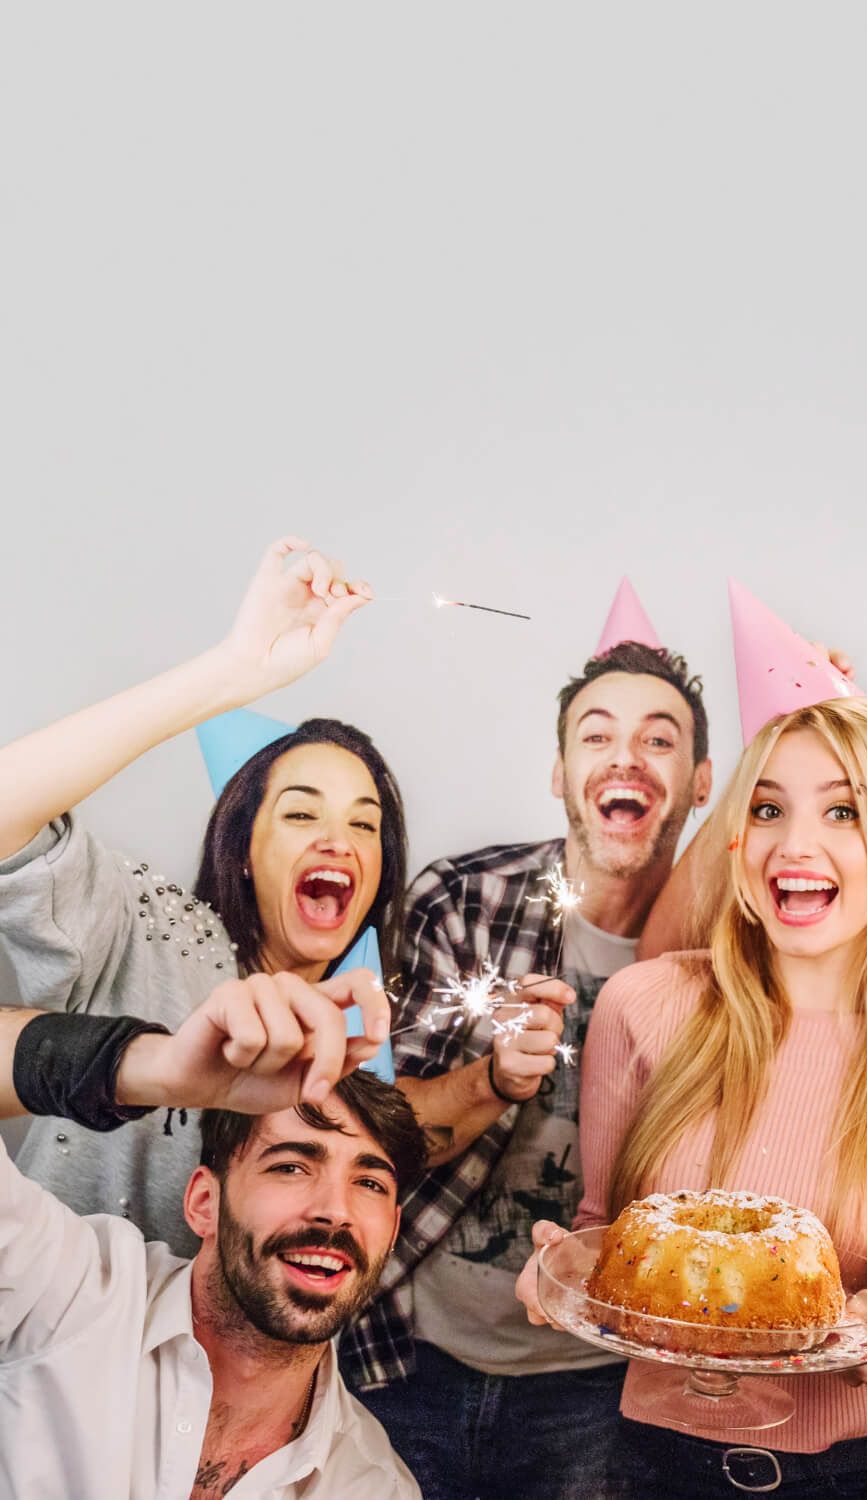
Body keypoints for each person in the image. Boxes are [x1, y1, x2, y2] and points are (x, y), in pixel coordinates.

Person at [520, 693, 867, 1498]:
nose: (795, 845)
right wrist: (559, 1270)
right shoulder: (642, 1005)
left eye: (842, 811)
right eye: (768, 808)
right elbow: (604, 1236)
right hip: (661, 1465)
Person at [343, 623, 716, 1499]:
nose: (627, 757)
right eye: (597, 735)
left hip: (603, 1385)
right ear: (560, 774)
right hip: (411, 1354)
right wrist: (496, 1079)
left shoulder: (732, 958)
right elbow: (373, 1142)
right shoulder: (465, 900)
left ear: (702, 785)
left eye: (660, 739)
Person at [0, 537, 406, 1256]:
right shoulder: (148, 927)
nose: (339, 841)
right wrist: (234, 670)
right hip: (49, 1355)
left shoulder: (364, 1033)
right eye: (303, 813)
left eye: (364, 824)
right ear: (244, 849)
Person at [0, 967, 424, 1498]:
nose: (335, 1211)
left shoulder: (373, 1487)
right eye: (291, 1166)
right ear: (204, 1202)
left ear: (391, 1233)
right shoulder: (69, 1296)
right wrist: (153, 1065)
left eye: (369, 1182)